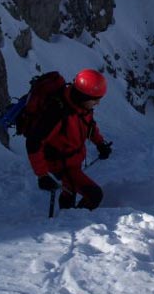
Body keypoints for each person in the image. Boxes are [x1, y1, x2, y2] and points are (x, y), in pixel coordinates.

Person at [26, 69, 112, 210]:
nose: (98, 103)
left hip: (72, 159)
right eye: (95, 99)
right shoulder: (57, 113)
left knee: (69, 192)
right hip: (60, 164)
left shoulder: (81, 107)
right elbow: (34, 142)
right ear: (83, 96)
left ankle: (67, 217)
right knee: (95, 195)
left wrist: (100, 143)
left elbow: (88, 125)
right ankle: (78, 224)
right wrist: (42, 175)